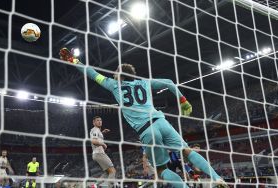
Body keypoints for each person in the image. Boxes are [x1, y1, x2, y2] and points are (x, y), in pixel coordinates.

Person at [59, 48, 227, 188]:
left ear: (120, 76)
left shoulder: (114, 85)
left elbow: (92, 73)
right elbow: (169, 82)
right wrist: (183, 101)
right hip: (161, 122)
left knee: (161, 170)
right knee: (187, 150)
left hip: (147, 131)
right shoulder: (144, 83)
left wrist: (74, 60)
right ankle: (217, 178)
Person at [90, 116, 116, 188]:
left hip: (97, 154)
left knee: (107, 172)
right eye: (97, 120)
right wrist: (103, 144)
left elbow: (97, 137)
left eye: (100, 120)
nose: (99, 121)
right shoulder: (95, 130)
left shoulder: (97, 131)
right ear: (94, 122)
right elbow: (93, 141)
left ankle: (94, 185)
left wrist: (102, 133)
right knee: (113, 171)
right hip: (99, 153)